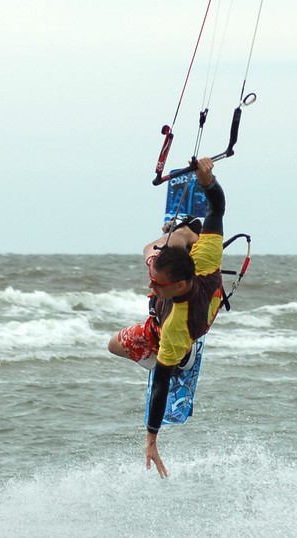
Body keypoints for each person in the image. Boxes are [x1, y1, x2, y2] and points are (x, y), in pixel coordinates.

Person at [107, 157, 225, 478]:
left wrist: (151, 439)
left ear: (179, 284)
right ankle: (185, 233)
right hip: (193, 275)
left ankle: (183, 358)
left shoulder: (175, 329)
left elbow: (160, 382)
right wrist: (207, 181)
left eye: (156, 284)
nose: (149, 285)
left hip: (165, 334)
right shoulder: (207, 258)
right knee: (158, 247)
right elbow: (217, 207)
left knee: (115, 345)